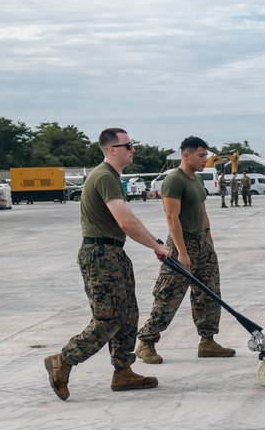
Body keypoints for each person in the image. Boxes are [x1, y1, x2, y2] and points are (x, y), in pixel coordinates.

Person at [43, 128, 171, 401]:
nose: (133, 150)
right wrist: (155, 246)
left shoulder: (110, 177)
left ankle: (123, 371)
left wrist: (155, 244)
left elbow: (130, 220)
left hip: (112, 252)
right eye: (128, 146)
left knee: (128, 315)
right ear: (112, 149)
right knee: (109, 318)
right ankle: (64, 359)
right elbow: (125, 222)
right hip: (100, 254)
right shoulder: (104, 176)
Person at [136, 136, 236, 364]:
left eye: (206, 155)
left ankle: (207, 341)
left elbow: (202, 212)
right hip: (181, 244)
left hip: (202, 244)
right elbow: (172, 218)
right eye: (201, 155)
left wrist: (209, 241)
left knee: (209, 294)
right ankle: (146, 342)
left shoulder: (197, 181)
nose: (205, 160)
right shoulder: (175, 180)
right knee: (168, 296)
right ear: (186, 155)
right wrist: (181, 252)